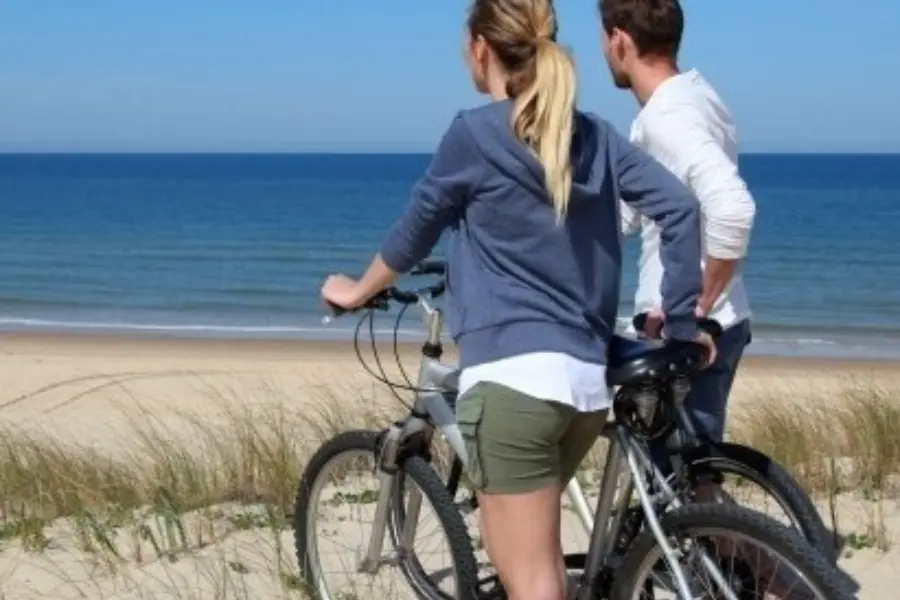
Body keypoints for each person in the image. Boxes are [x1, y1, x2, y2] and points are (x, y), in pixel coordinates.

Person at [321, 1, 713, 598]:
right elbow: (680, 209)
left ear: (481, 48)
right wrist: (681, 323)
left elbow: (415, 230)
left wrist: (355, 289)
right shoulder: (594, 136)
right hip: (583, 389)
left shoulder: (475, 134)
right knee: (543, 566)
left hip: (513, 389)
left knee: (529, 579)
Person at [597, 0, 756, 468]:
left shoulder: (667, 117)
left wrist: (697, 308)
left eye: (605, 39)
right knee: (693, 486)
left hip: (689, 333)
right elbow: (628, 214)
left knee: (675, 496)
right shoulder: (697, 95)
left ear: (619, 38)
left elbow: (733, 208)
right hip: (719, 324)